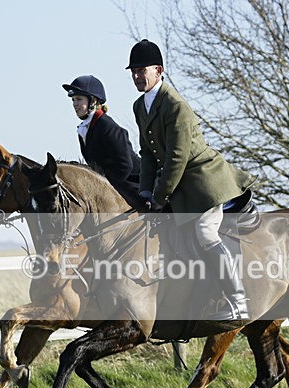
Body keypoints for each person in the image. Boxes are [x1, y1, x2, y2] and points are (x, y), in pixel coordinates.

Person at [126, 39, 255, 321]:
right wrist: (146, 192)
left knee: (205, 232)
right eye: (133, 71)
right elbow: (146, 153)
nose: (137, 76)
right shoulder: (140, 106)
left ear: (158, 70)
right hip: (177, 184)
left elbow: (177, 158)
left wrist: (159, 197)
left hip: (203, 181)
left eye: (141, 70)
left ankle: (238, 300)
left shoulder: (175, 106)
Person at [62, 74, 142, 209]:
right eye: (73, 100)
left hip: (134, 189)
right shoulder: (84, 129)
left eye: (79, 99)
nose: (75, 104)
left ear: (93, 100)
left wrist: (102, 190)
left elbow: (125, 166)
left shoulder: (107, 127)